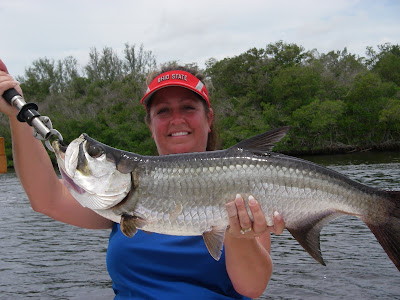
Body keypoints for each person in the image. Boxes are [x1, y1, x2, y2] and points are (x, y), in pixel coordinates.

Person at [0, 60, 285, 299]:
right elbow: (46, 199)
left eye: (188, 107)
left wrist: (242, 237)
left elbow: (252, 287)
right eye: (162, 111)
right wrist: (17, 115)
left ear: (209, 119)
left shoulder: (247, 181)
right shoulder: (119, 198)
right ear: (150, 125)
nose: (176, 119)